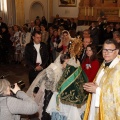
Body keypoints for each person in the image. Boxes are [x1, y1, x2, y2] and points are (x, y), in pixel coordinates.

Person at [83, 39, 120, 120]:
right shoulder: (104, 63)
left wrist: (98, 90)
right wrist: (94, 84)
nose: (106, 53)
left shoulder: (118, 69)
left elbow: (117, 95)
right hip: (97, 102)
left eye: (110, 50)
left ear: (117, 51)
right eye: (104, 49)